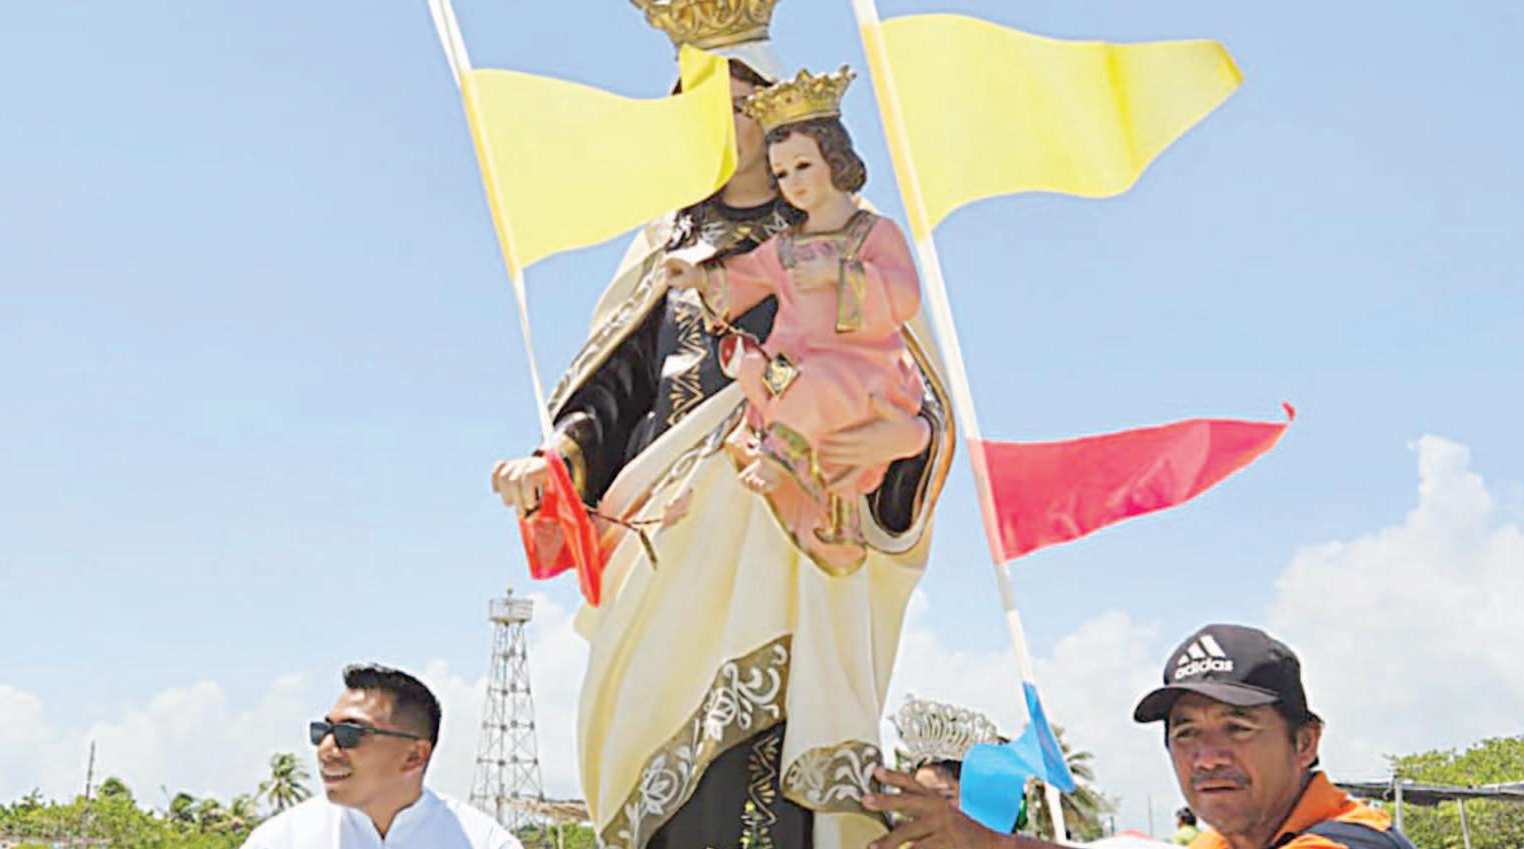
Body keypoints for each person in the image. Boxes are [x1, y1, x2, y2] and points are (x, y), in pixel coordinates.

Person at [486, 2, 957, 847]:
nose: (716, 123)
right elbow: (613, 387)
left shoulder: (837, 234)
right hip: (663, 532)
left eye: (735, 104)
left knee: (763, 755)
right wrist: (554, 456)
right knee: (647, 740)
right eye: (694, 104)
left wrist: (906, 437)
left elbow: (909, 384)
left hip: (783, 524)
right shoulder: (663, 244)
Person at [665, 65, 924, 571]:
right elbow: (744, 277)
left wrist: (840, 274)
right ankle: (793, 471)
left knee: (815, 384)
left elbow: (904, 296)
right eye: (782, 173)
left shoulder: (873, 233)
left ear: (834, 159)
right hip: (796, 366)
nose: (794, 183)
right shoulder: (784, 246)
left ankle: (784, 460)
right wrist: (700, 278)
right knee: (763, 374)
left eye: (804, 166)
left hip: (858, 369)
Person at [860, 624, 1416, 849]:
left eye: (1238, 728)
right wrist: (985, 841)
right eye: (1186, 733)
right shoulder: (1229, 841)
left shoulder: (1351, 842)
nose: (1207, 757)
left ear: (1304, 742)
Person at [240, 664, 520, 849]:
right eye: (322, 731)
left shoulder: (484, 842)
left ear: (414, 756)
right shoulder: (279, 841)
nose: (326, 748)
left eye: (349, 734)